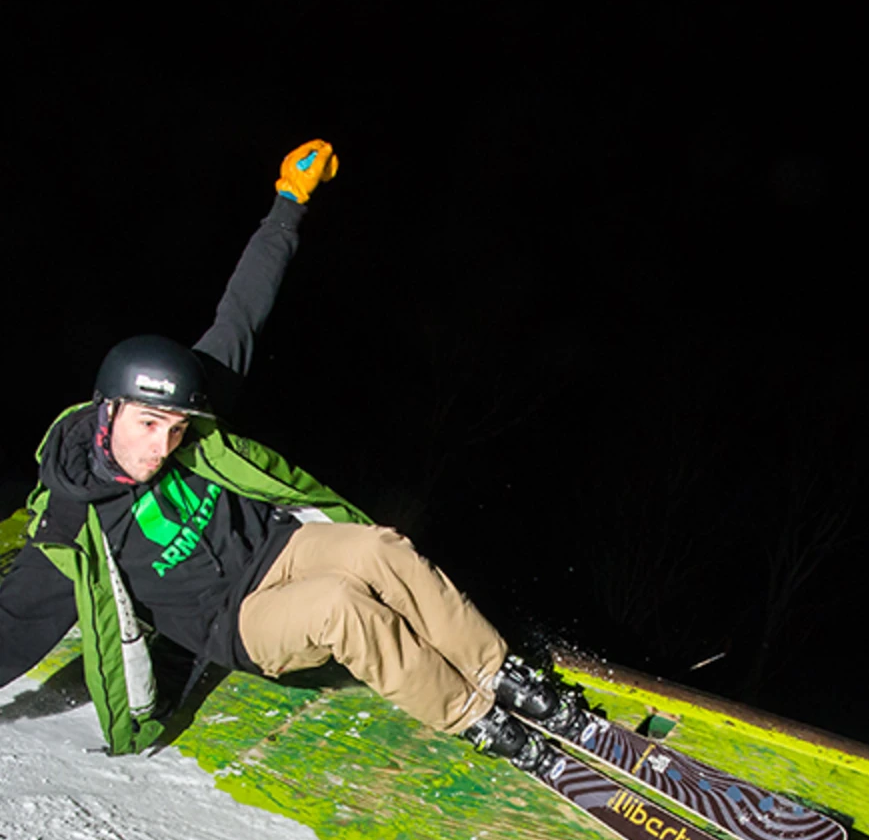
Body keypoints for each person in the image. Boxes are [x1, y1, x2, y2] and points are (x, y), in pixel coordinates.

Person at [0, 140, 574, 764]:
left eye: (176, 428)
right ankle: (474, 716)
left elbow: (241, 313)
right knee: (340, 609)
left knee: (381, 549)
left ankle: (500, 674)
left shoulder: (186, 418)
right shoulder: (70, 519)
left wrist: (288, 203)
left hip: (278, 549)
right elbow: (13, 624)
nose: (162, 446)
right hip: (234, 621)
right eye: (147, 425)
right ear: (106, 410)